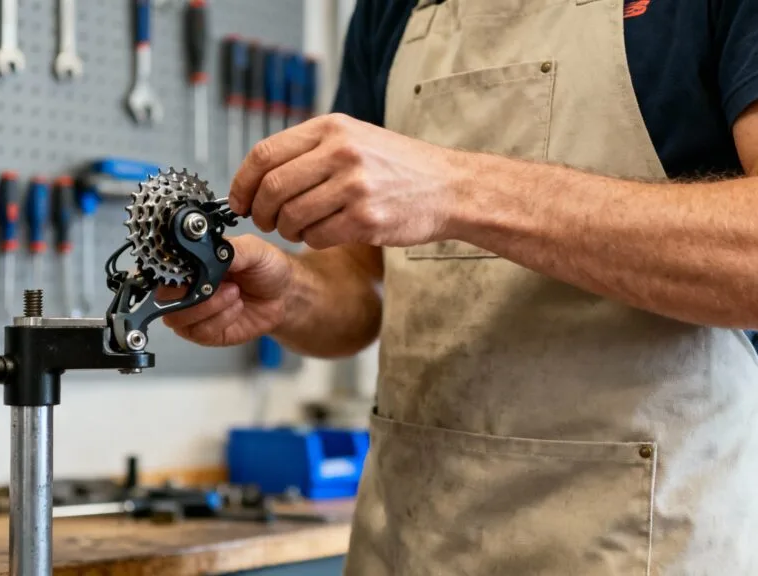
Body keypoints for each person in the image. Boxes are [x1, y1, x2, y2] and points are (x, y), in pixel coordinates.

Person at [163, 0, 758, 573]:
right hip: (412, 541)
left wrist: (457, 190)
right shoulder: (392, 12)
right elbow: (364, 287)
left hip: (638, 541)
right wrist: (288, 294)